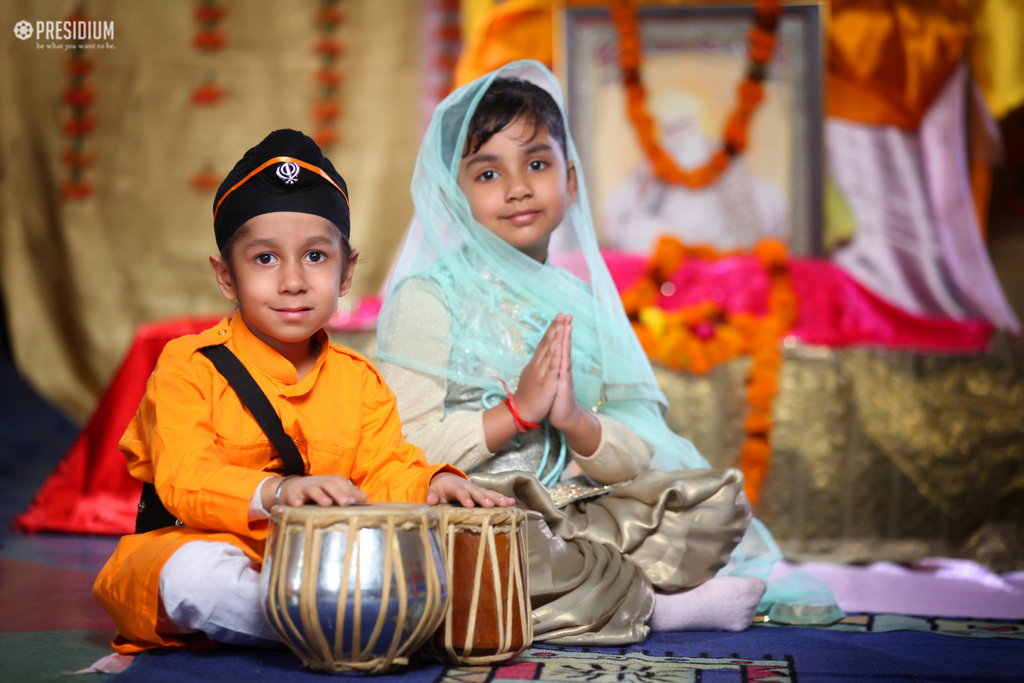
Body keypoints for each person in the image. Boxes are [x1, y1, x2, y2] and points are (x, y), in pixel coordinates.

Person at [377, 61, 841, 644]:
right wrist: (516, 413)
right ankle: (655, 606)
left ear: (570, 182)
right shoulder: (428, 298)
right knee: (497, 546)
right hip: (475, 516)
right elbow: (398, 452)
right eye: (487, 173)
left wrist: (576, 422)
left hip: (570, 512)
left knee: (713, 502)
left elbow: (638, 451)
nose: (518, 186)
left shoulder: (580, 301)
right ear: (453, 193)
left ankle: (592, 589)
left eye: (537, 164)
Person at [92, 129, 513, 655]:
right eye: (265, 259)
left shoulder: (359, 378)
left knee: (435, 547)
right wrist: (276, 493)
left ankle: (334, 620)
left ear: (346, 273)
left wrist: (433, 485)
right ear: (226, 277)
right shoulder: (188, 365)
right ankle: (344, 628)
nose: (293, 281)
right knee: (194, 577)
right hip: (209, 548)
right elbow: (184, 478)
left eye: (315, 256)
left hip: (324, 563)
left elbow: (385, 469)